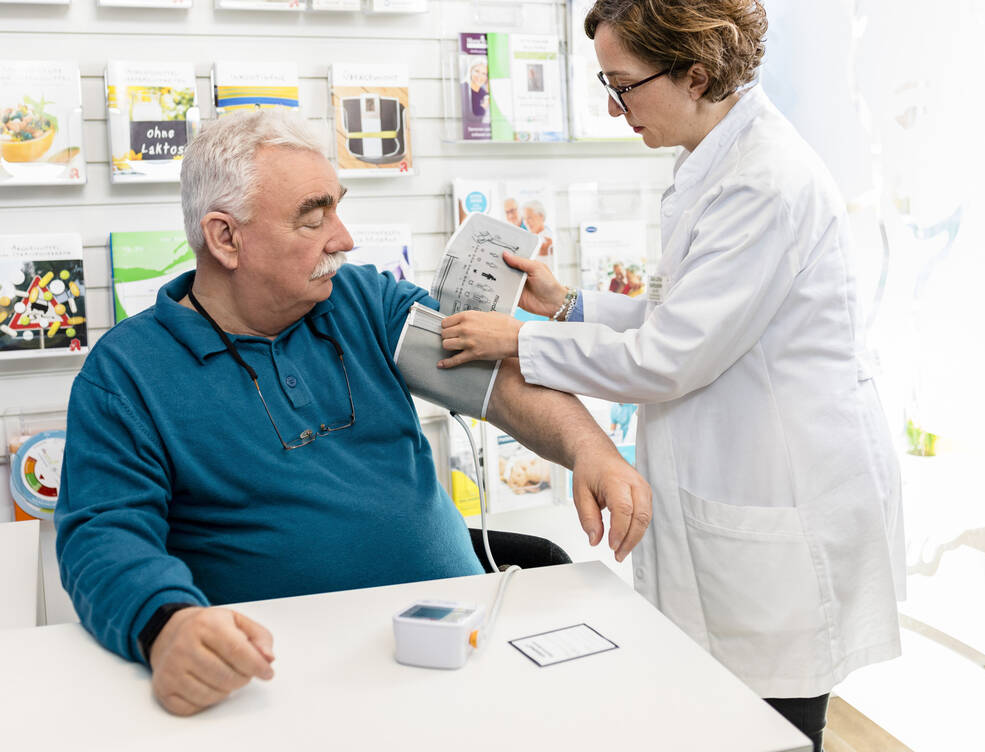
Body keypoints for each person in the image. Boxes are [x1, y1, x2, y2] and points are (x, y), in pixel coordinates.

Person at [55, 110, 651, 718]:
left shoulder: (362, 299)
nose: (343, 238)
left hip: (458, 653)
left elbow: (495, 379)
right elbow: (105, 535)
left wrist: (591, 451)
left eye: (337, 209)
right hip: (296, 691)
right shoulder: (127, 372)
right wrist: (166, 625)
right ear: (225, 238)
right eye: (313, 218)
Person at [435, 2, 905, 749]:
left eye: (624, 86)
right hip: (737, 483)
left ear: (697, 73)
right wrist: (564, 306)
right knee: (717, 710)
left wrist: (517, 340)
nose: (614, 108)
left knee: (774, 727)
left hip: (780, 502)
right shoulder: (712, 160)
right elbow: (681, 321)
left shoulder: (765, 183)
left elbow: (669, 359)